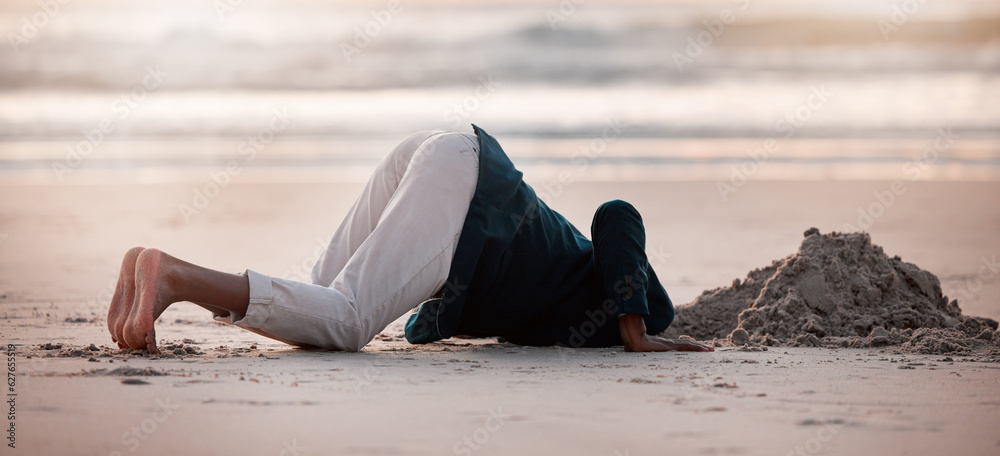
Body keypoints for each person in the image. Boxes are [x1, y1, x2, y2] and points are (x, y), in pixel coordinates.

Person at [105, 125, 713, 354]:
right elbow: (617, 215)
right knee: (345, 323)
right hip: (471, 190)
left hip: (445, 157)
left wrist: (436, 318)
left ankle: (146, 268)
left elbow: (425, 324)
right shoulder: (632, 302)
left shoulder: (555, 315)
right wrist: (639, 330)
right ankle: (176, 277)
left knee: (316, 304)